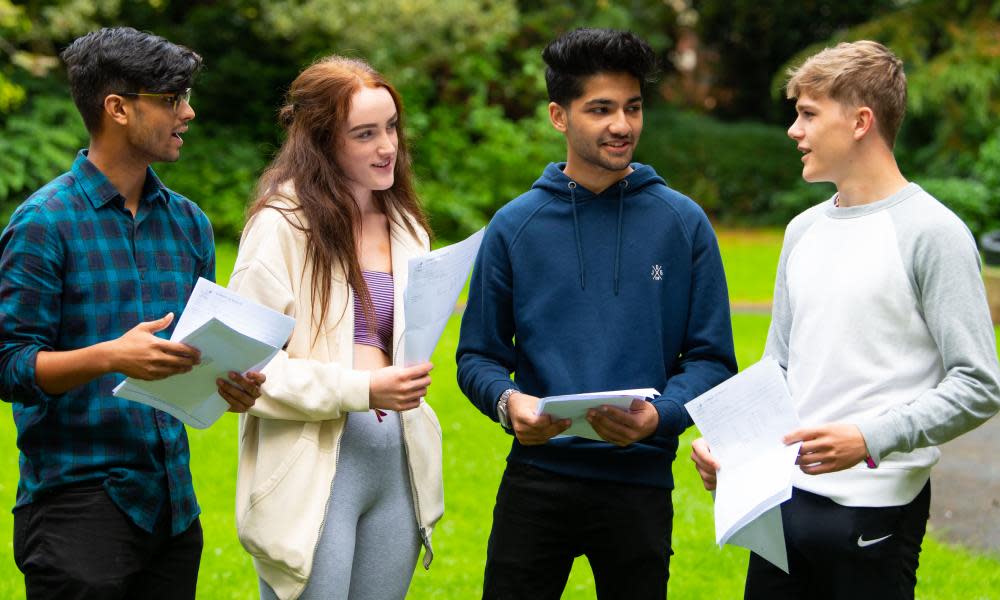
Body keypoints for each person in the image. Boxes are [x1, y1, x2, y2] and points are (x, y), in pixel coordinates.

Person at [691, 41, 1000, 599]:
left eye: (808, 114)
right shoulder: (802, 231)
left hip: (877, 511)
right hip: (783, 503)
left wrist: (869, 438)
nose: (793, 130)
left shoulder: (934, 234)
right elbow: (779, 367)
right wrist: (735, 451)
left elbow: (979, 384)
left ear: (861, 121)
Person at [457, 28, 737, 600]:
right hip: (537, 482)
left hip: (639, 485)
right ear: (560, 116)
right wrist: (510, 406)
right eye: (601, 109)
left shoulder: (683, 224)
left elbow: (712, 359)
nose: (622, 125)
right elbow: (478, 355)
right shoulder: (515, 226)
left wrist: (661, 419)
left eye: (633, 108)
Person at [0, 27, 265, 598]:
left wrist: (230, 381)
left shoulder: (190, 223)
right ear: (117, 108)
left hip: (173, 506)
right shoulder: (43, 223)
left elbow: (198, 348)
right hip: (76, 508)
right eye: (172, 99)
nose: (188, 112)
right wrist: (110, 357)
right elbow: (9, 365)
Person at [228, 55, 444, 600]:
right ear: (323, 142)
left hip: (395, 459)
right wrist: (362, 388)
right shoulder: (281, 226)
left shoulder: (408, 226)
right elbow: (241, 364)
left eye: (391, 126)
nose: (387, 146)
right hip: (310, 464)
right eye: (365, 133)